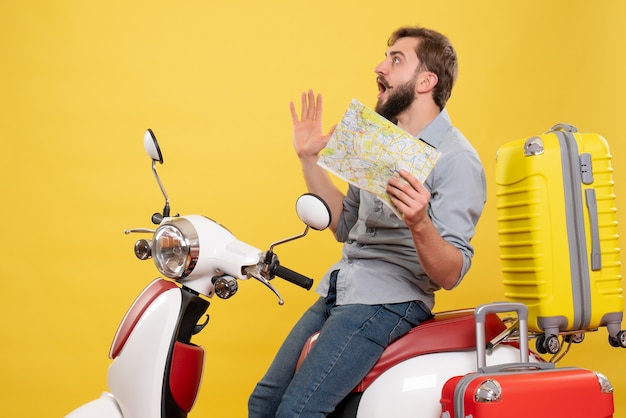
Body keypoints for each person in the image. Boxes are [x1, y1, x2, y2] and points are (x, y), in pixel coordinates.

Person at [248, 26, 486, 417]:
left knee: (297, 412)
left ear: (427, 81)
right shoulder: (378, 139)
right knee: (263, 405)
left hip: (390, 300)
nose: (380, 67)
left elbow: (451, 274)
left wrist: (420, 223)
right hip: (343, 286)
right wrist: (309, 158)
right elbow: (346, 225)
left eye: (396, 59)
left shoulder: (457, 160)